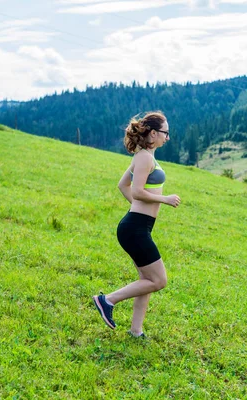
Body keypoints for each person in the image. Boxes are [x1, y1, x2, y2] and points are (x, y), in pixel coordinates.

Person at [93, 111, 180, 337]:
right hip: (135, 229)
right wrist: (164, 199)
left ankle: (136, 330)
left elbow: (123, 185)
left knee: (147, 279)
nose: (167, 137)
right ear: (153, 133)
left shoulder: (146, 156)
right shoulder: (144, 158)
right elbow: (137, 190)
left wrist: (139, 209)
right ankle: (107, 300)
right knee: (159, 280)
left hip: (137, 226)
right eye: (165, 133)